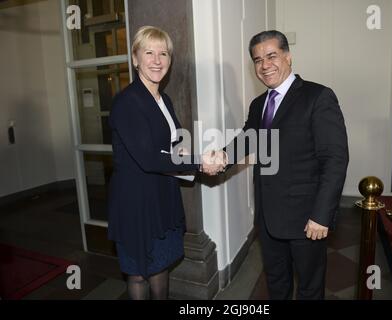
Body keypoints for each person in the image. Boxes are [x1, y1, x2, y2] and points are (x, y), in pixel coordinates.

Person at [224, 30, 349, 299]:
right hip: (269, 219)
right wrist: (220, 157)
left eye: (272, 56)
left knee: (309, 288)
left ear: (288, 57)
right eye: (258, 60)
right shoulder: (259, 104)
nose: (265, 65)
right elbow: (246, 140)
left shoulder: (318, 97)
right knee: (277, 283)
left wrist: (321, 215)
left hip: (307, 220)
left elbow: (335, 160)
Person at [107, 26, 224, 300]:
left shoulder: (164, 99)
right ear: (135, 58)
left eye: (163, 53)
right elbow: (148, 157)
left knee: (161, 266)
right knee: (138, 273)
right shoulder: (127, 102)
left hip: (162, 195)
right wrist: (199, 163)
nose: (157, 60)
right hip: (136, 202)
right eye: (149, 52)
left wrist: (207, 156)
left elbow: (174, 147)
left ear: (170, 60)